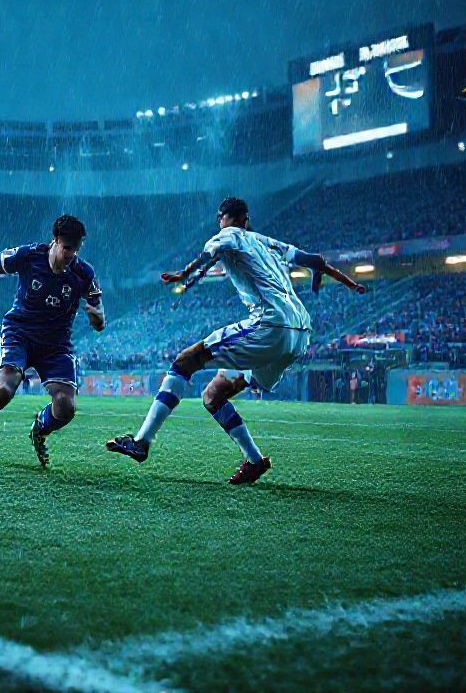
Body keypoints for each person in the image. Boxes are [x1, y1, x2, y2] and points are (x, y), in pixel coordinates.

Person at [106, 196, 366, 484]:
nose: (219, 222)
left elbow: (209, 253)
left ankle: (142, 442)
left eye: (220, 218)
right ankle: (255, 461)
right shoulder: (266, 242)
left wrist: (184, 274)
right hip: (301, 332)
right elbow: (315, 260)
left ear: (225, 217)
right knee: (213, 395)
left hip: (269, 324)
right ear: (247, 219)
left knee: (184, 362)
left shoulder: (228, 234)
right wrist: (350, 283)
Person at [0, 215, 105, 467]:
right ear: (55, 240)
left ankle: (40, 427)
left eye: (76, 249)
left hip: (56, 344)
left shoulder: (85, 274)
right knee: (3, 391)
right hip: (20, 333)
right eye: (67, 248)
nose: (71, 255)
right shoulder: (28, 255)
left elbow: (99, 321)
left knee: (65, 407)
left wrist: (97, 318)